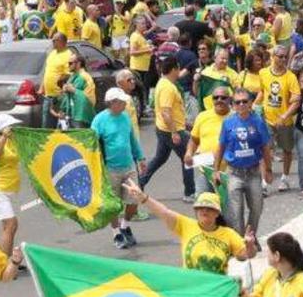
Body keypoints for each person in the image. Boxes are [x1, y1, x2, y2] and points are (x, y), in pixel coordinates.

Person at [123, 182, 258, 275]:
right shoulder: (186, 225)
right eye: (200, 208)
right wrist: (142, 198)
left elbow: (245, 255)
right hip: (191, 287)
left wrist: (250, 245)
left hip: (215, 291)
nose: (204, 211)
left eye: (209, 209)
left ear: (217, 213)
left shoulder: (228, 234)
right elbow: (164, 212)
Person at [93, 87, 148, 249]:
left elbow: (132, 140)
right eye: (122, 101)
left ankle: (124, 226)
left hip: (128, 166)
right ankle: (116, 233)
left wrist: (140, 157)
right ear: (112, 103)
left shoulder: (125, 117)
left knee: (134, 199)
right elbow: (91, 143)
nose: (125, 104)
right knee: (113, 205)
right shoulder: (99, 120)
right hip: (110, 168)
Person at [215, 88, 272, 235]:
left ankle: (250, 236)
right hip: (234, 173)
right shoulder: (228, 123)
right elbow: (220, 147)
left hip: (253, 172)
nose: (241, 104)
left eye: (244, 101)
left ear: (251, 103)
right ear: (233, 105)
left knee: (257, 208)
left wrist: (268, 170)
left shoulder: (258, 122)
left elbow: (265, 147)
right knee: (236, 211)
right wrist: (216, 170)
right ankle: (241, 242)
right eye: (237, 102)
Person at [141, 55, 196, 202]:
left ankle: (140, 182)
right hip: (170, 129)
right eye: (178, 68)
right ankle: (190, 192)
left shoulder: (164, 84)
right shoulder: (167, 87)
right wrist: (174, 132)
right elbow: (166, 112)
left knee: (160, 158)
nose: (179, 71)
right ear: (173, 69)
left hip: (166, 128)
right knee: (187, 158)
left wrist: (186, 125)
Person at [258, 45, 300, 191]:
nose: (283, 59)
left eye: (285, 56)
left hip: (285, 122)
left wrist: (284, 116)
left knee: (287, 150)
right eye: (280, 56)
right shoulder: (263, 73)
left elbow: (296, 101)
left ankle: (285, 178)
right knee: (266, 150)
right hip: (267, 120)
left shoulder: (291, 77)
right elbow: (262, 92)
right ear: (273, 57)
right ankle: (265, 181)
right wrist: (254, 107)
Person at [0, 114, 25, 259]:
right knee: (11, 224)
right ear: (3, 129)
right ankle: (5, 263)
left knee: (8, 227)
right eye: (11, 126)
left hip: (13, 189)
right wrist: (3, 137)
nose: (14, 128)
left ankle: (6, 258)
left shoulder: (13, 142)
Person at [187, 86, 232, 197]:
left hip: (230, 173)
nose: (219, 100)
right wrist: (189, 153)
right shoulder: (203, 117)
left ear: (229, 99)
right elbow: (194, 140)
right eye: (216, 98)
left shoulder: (236, 117)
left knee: (228, 209)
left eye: (223, 97)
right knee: (202, 204)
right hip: (206, 170)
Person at [40, 34, 73, 129]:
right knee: (46, 126)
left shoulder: (68, 55)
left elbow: (69, 75)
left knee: (61, 126)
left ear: (63, 42)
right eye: (53, 40)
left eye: (55, 40)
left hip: (60, 97)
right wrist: (42, 87)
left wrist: (62, 85)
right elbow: (47, 71)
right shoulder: (52, 53)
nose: (53, 42)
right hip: (48, 96)